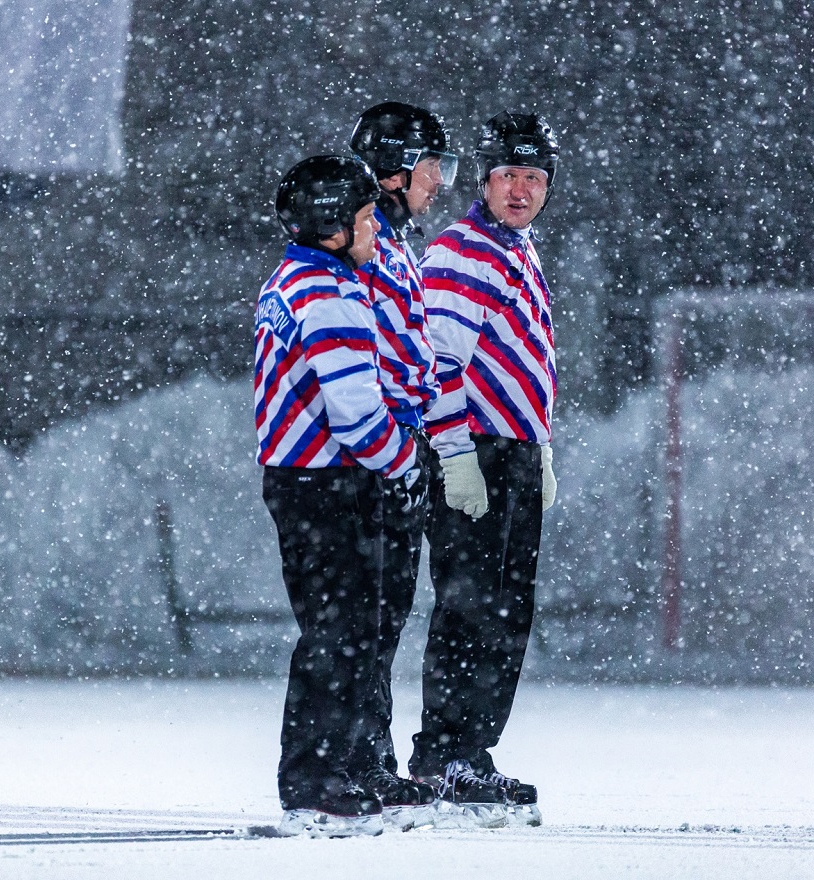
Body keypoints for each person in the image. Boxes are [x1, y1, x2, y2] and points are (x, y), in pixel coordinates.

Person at [255, 154, 419, 838]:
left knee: (347, 629)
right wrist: (406, 465)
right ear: (330, 228)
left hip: (305, 478)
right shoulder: (330, 292)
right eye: (361, 221)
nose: (374, 233)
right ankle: (316, 776)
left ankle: (343, 764)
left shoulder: (296, 277)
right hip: (324, 481)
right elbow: (356, 413)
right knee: (341, 632)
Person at [409, 111, 560, 828]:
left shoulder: (518, 248)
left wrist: (541, 445)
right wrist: (456, 454)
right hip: (477, 452)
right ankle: (444, 753)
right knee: (469, 607)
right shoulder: (466, 251)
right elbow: (437, 365)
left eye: (534, 178)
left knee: (505, 612)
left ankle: (473, 749)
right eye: (508, 176)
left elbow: (521, 357)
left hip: (515, 450)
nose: (521, 190)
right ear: (485, 180)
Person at [345, 101, 458, 825]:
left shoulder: (389, 240)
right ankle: (359, 764)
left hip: (398, 443)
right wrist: (397, 444)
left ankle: (372, 761)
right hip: (378, 451)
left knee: (383, 614)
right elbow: (382, 353)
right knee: (367, 615)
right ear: (393, 170)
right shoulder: (368, 246)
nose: (438, 183)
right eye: (429, 168)